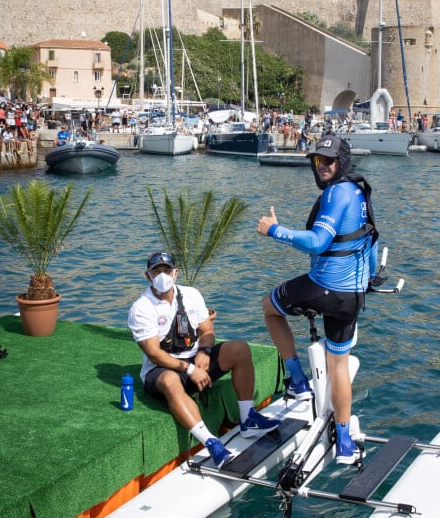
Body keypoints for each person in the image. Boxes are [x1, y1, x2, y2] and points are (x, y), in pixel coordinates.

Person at [257, 135, 379, 465]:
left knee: (269, 307)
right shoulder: (358, 190)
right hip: (353, 296)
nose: (322, 166)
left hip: (326, 288)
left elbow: (317, 242)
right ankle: (343, 442)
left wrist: (274, 231)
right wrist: (370, 276)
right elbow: (370, 236)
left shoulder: (337, 192)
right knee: (337, 364)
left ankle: (297, 381)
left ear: (343, 161)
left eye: (328, 160)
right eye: (317, 160)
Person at [128, 251, 280, 469]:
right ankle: (211, 443)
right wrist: (190, 370)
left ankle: (248, 419)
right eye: (157, 271)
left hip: (195, 359)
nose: (162, 275)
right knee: (170, 381)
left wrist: (205, 351)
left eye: (167, 270)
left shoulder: (191, 295)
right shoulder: (141, 308)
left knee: (239, 348)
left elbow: (206, 329)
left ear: (176, 273)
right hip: (161, 369)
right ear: (148, 276)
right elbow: (154, 353)